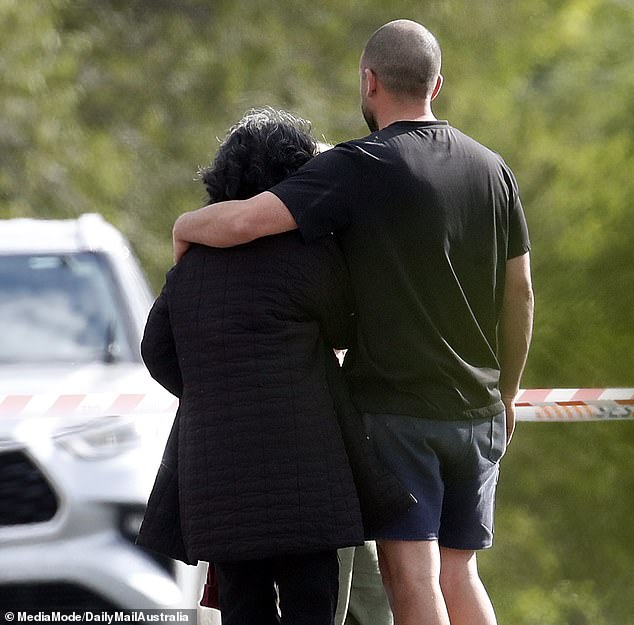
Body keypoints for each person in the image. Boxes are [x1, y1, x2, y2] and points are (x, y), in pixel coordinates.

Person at [171, 19, 534, 625]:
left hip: (399, 413)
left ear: (369, 81)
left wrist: (184, 227)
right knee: (460, 572)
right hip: (478, 411)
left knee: (412, 580)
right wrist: (509, 391)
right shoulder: (493, 169)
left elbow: (243, 224)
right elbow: (520, 292)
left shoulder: (360, 165)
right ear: (436, 85)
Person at [136, 107, 364, 625]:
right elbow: (348, 331)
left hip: (220, 476)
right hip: (307, 471)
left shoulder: (192, 265)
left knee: (242, 608)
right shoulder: (312, 257)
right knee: (312, 605)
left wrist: (214, 385)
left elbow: (157, 351)